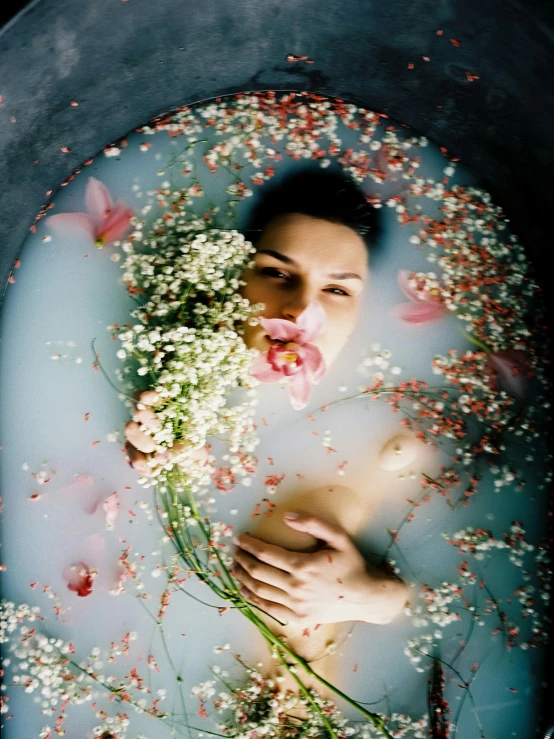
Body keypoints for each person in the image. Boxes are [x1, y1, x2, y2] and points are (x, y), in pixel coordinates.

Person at [124, 168, 411, 664]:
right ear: (235, 275)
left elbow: (461, 586)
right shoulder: (169, 370)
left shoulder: (398, 425)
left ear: (366, 308)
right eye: (276, 273)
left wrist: (371, 597)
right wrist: (150, 451)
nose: (301, 310)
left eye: (337, 291)